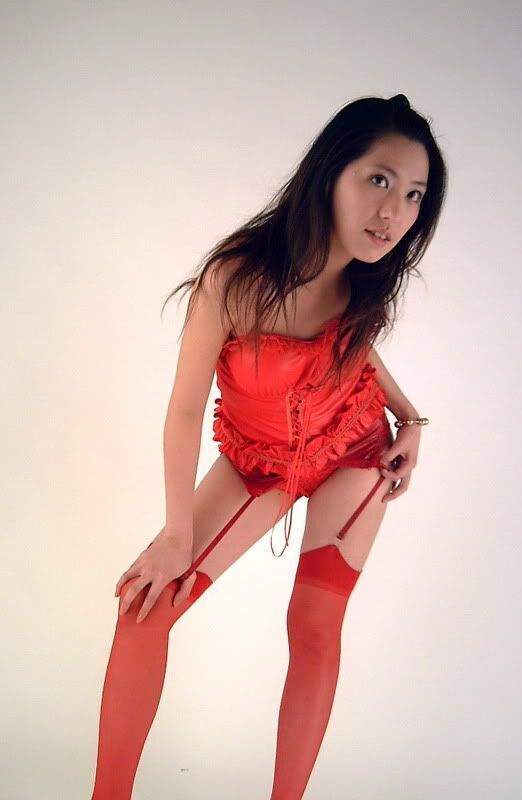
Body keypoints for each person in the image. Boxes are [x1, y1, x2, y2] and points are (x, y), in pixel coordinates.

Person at [89, 93, 447, 800]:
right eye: (378, 180)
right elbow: (185, 410)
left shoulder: (362, 279)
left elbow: (355, 350)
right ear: (330, 172)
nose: (393, 212)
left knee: (314, 625)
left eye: (414, 194)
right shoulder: (236, 278)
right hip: (261, 463)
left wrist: (410, 419)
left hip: (355, 453)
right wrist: (175, 534)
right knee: (143, 609)